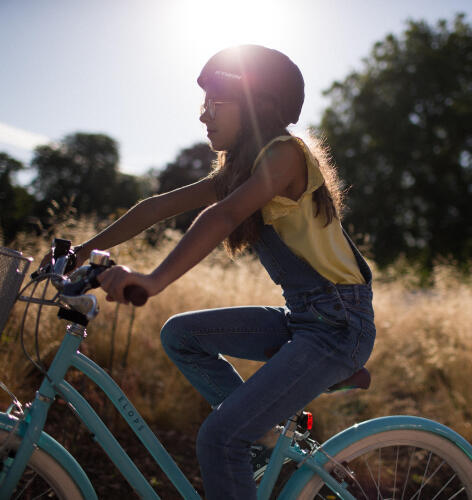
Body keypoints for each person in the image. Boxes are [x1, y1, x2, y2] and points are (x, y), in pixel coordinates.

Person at [66, 45, 376, 500]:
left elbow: (224, 217)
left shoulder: (284, 156)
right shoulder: (240, 170)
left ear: (257, 106)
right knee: (181, 336)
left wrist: (153, 280)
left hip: (337, 325)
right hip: (306, 319)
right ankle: (264, 437)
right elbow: (157, 207)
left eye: (216, 104)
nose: (203, 116)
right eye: (203, 104)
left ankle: (250, 438)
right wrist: (83, 251)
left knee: (219, 439)